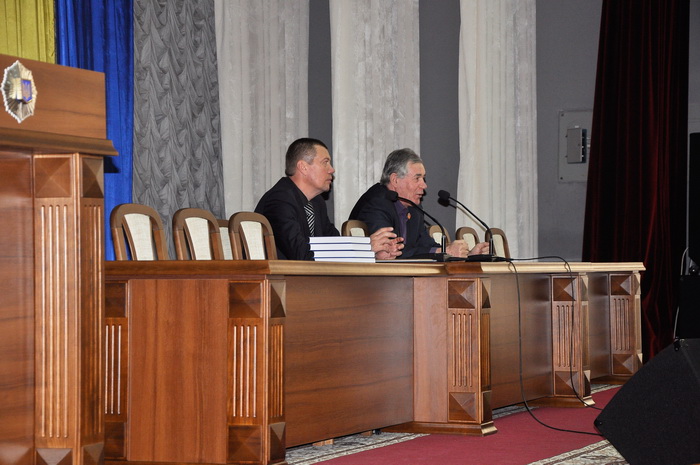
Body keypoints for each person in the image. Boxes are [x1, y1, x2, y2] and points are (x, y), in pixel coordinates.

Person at [255, 138, 403, 260]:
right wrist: (365, 247)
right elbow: (300, 254)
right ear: (303, 167)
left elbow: (334, 244)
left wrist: (373, 254)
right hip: (280, 283)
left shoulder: (316, 202)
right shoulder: (280, 200)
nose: (332, 169)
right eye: (325, 162)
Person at [349, 148, 490, 259]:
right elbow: (392, 251)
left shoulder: (414, 208)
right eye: (417, 178)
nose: (424, 185)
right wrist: (445, 251)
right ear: (395, 180)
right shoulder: (376, 204)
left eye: (423, 178)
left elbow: (427, 245)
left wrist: (469, 255)